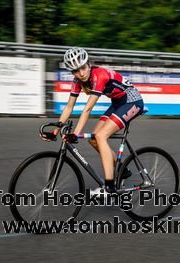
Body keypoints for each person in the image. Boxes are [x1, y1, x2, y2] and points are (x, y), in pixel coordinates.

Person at [43, 47, 145, 193]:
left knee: (101, 136)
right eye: (76, 71)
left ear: (89, 64)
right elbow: (68, 107)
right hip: (117, 103)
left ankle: (109, 186)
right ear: (72, 72)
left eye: (83, 68)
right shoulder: (77, 81)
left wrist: (76, 134)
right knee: (93, 139)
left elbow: (87, 109)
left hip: (132, 101)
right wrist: (55, 131)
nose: (81, 73)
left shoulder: (99, 75)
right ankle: (123, 169)